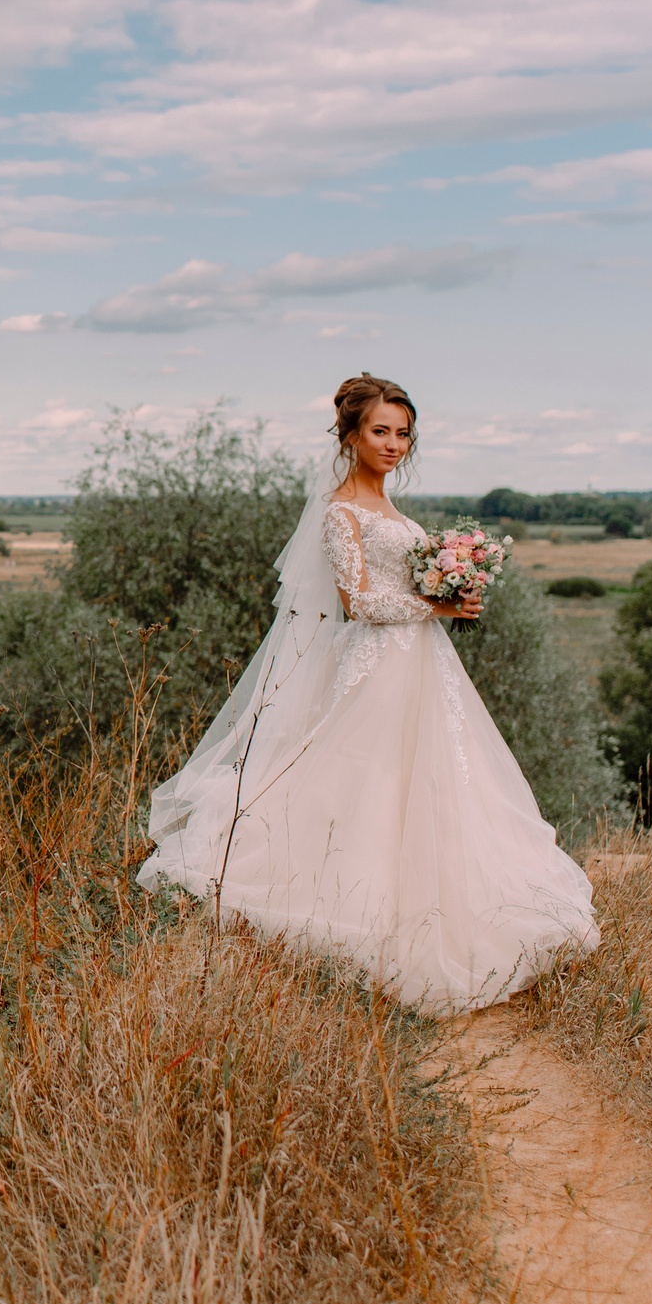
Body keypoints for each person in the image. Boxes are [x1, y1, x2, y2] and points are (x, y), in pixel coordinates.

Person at [134, 374, 598, 1014]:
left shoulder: (394, 512)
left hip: (422, 665)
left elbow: (402, 589)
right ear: (350, 435)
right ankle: (357, 905)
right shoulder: (340, 511)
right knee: (368, 779)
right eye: (380, 431)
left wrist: (453, 589)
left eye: (403, 433)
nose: (393, 444)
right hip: (376, 666)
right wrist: (436, 607)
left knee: (436, 777)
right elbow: (358, 603)